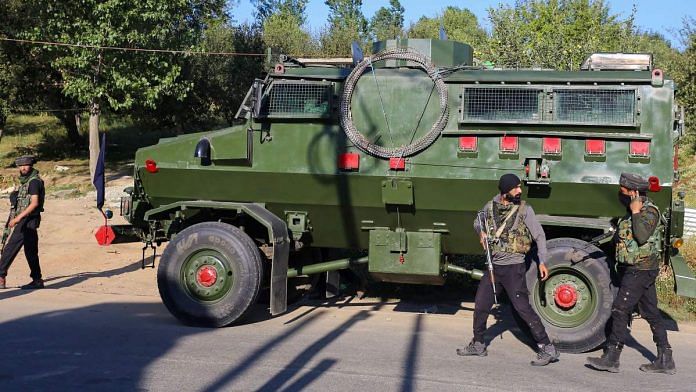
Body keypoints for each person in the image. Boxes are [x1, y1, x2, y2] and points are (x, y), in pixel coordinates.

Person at [457, 173, 559, 366]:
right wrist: (482, 233)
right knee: (481, 306)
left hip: (514, 268)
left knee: (523, 308)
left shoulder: (524, 210)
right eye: (516, 188)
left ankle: (547, 347)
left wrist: (542, 261)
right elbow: (477, 221)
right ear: (505, 191)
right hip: (493, 267)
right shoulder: (490, 207)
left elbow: (539, 236)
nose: (520, 191)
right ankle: (478, 343)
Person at [586, 172, 675, 374]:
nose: (620, 194)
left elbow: (642, 237)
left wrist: (635, 212)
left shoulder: (649, 211)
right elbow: (623, 239)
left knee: (619, 309)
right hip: (638, 268)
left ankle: (611, 358)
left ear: (633, 192)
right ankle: (665, 359)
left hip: (641, 269)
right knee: (651, 313)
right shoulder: (629, 211)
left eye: (623, 191)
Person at [0, 155, 45, 290]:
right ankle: (37, 280)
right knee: (30, 251)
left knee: (11, 247)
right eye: (21, 166)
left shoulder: (34, 182)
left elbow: (34, 203)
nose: (23, 168)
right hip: (28, 219)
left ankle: (1, 275)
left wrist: (17, 218)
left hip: (27, 220)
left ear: (31, 166)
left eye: (26, 165)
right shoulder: (27, 182)